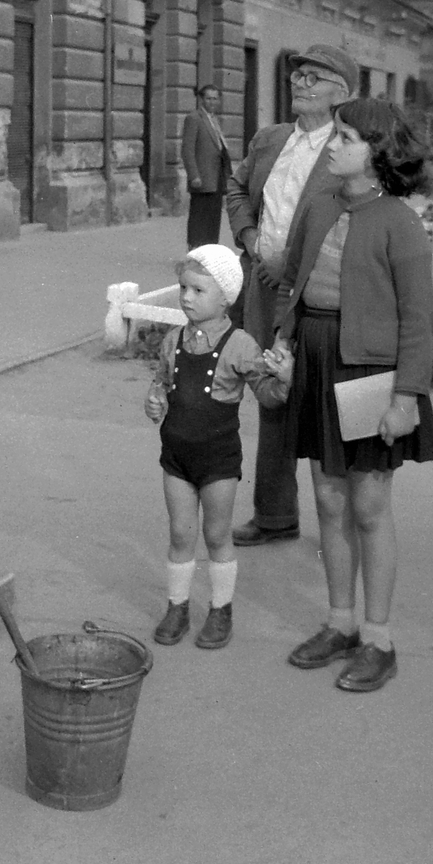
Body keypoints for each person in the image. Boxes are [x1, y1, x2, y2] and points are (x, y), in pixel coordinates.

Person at [272, 98, 433, 692]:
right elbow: (293, 283)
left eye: (345, 137)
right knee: (328, 498)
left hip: (370, 370)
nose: (333, 145)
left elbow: (419, 320)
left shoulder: (400, 222)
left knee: (368, 505)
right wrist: (285, 347)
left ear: (378, 153)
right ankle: (340, 623)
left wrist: (406, 396)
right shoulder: (318, 207)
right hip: (317, 355)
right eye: (334, 135)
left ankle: (378, 638)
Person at [224, 43, 359, 547]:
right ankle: (275, 515)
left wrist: (295, 265)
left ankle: (344, 528)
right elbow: (236, 190)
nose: (300, 83)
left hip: (318, 294)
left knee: (325, 397)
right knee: (271, 396)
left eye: (315, 77)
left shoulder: (348, 149)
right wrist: (249, 237)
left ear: (341, 93)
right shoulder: (271, 139)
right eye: (298, 74)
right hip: (263, 290)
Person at [144, 245, 293, 650]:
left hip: (218, 461)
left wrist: (282, 379)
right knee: (179, 532)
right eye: (183, 288)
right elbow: (161, 381)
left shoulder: (240, 344)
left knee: (215, 533)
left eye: (197, 290)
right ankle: (177, 606)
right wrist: (155, 399)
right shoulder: (173, 340)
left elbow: (267, 393)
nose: (186, 297)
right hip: (176, 456)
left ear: (225, 297)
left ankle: (221, 608)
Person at [181, 84, 233, 246]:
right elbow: (187, 150)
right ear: (201, 99)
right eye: (209, 98)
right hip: (202, 177)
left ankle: (210, 250)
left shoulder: (214, 119)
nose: (212, 102)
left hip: (216, 176)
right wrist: (194, 175)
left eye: (215, 99)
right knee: (199, 216)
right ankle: (195, 249)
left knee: (213, 216)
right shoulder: (194, 118)